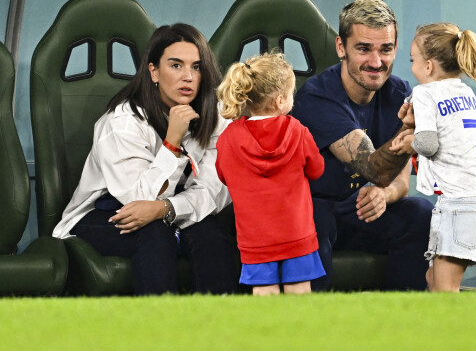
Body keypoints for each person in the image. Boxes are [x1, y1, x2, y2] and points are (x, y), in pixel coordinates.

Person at [52, 23, 239, 295]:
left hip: (169, 212)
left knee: (210, 235)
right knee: (154, 235)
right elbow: (137, 199)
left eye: (196, 67)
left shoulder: (216, 117)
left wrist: (166, 209)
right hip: (107, 212)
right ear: (154, 71)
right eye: (176, 66)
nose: (187, 76)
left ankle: (219, 328)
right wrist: (172, 143)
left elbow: (214, 193)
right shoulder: (122, 121)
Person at [292, 0, 433, 291]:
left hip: (358, 212)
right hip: (317, 209)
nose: (376, 62)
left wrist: (385, 193)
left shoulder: (399, 93)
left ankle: (404, 322)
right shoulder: (317, 97)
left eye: (386, 49)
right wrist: (409, 128)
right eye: (363, 48)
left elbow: (399, 182)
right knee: (316, 219)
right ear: (341, 47)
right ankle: (316, 328)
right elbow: (373, 167)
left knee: (419, 214)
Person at [390, 22, 476, 292]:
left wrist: (410, 141)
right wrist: (414, 125)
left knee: (445, 292)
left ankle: (457, 335)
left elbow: (429, 145)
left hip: (460, 206)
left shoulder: (424, 92)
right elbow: (449, 134)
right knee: (433, 279)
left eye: (413, 60)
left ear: (429, 66)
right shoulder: (464, 92)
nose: (412, 67)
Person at [215, 52, 326, 296]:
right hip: (297, 233)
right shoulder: (297, 131)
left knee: (263, 294)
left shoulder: (228, 138)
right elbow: (317, 170)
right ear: (279, 101)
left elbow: (223, 176)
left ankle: (268, 334)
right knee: (300, 293)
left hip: (255, 238)